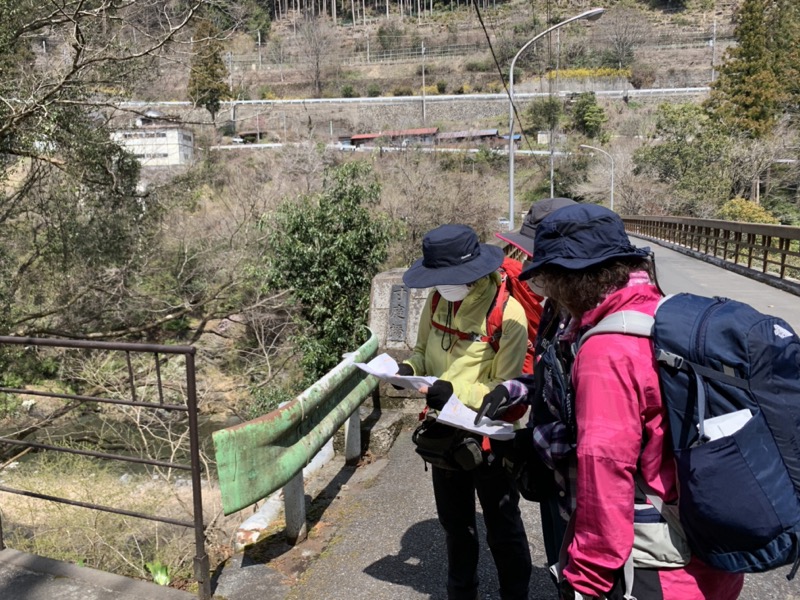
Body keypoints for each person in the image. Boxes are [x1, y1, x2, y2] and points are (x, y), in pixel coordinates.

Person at [516, 203, 744, 600]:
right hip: (715, 542)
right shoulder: (664, 312)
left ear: (567, 279)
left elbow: (605, 469)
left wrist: (586, 580)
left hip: (658, 562)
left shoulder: (608, 348)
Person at [398, 223, 532, 600]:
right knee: (455, 525)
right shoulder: (438, 300)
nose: (444, 285)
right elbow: (423, 350)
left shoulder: (509, 314)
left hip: (490, 437)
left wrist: (451, 389)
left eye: (450, 278)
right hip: (444, 432)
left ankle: (515, 594)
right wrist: (408, 370)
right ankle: (461, 593)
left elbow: (505, 388)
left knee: (502, 526)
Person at [483, 197, 578, 587]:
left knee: (580, 569)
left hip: (586, 480)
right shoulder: (558, 306)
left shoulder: (601, 328)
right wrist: (515, 389)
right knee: (561, 557)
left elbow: (603, 439)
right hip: (557, 467)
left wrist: (533, 440)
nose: (531, 269)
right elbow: (550, 373)